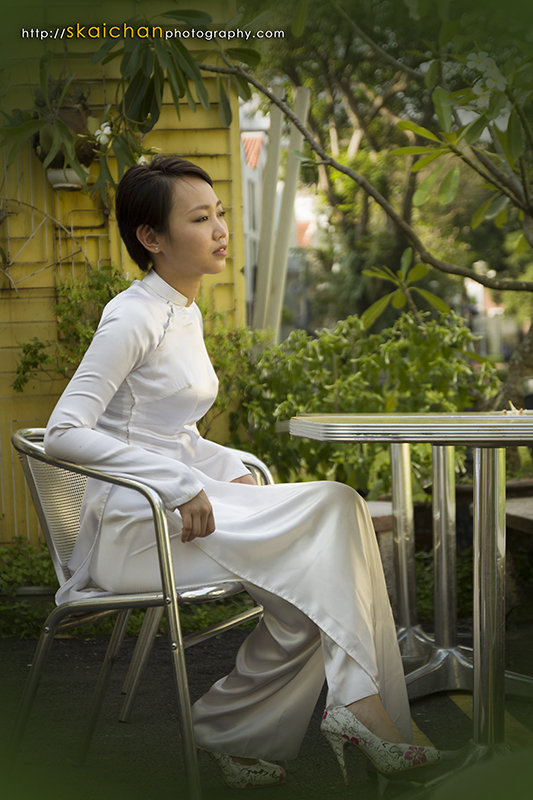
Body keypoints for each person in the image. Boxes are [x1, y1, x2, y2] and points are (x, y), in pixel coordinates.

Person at [44, 156, 441, 790]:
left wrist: (222, 467)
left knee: (330, 544)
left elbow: (168, 428)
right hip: (137, 531)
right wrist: (177, 483)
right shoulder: (133, 315)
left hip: (180, 517)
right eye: (200, 218)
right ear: (151, 238)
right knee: (336, 511)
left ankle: (249, 726)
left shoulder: (183, 308)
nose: (220, 229)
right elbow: (65, 432)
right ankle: (365, 711)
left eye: (220, 213)